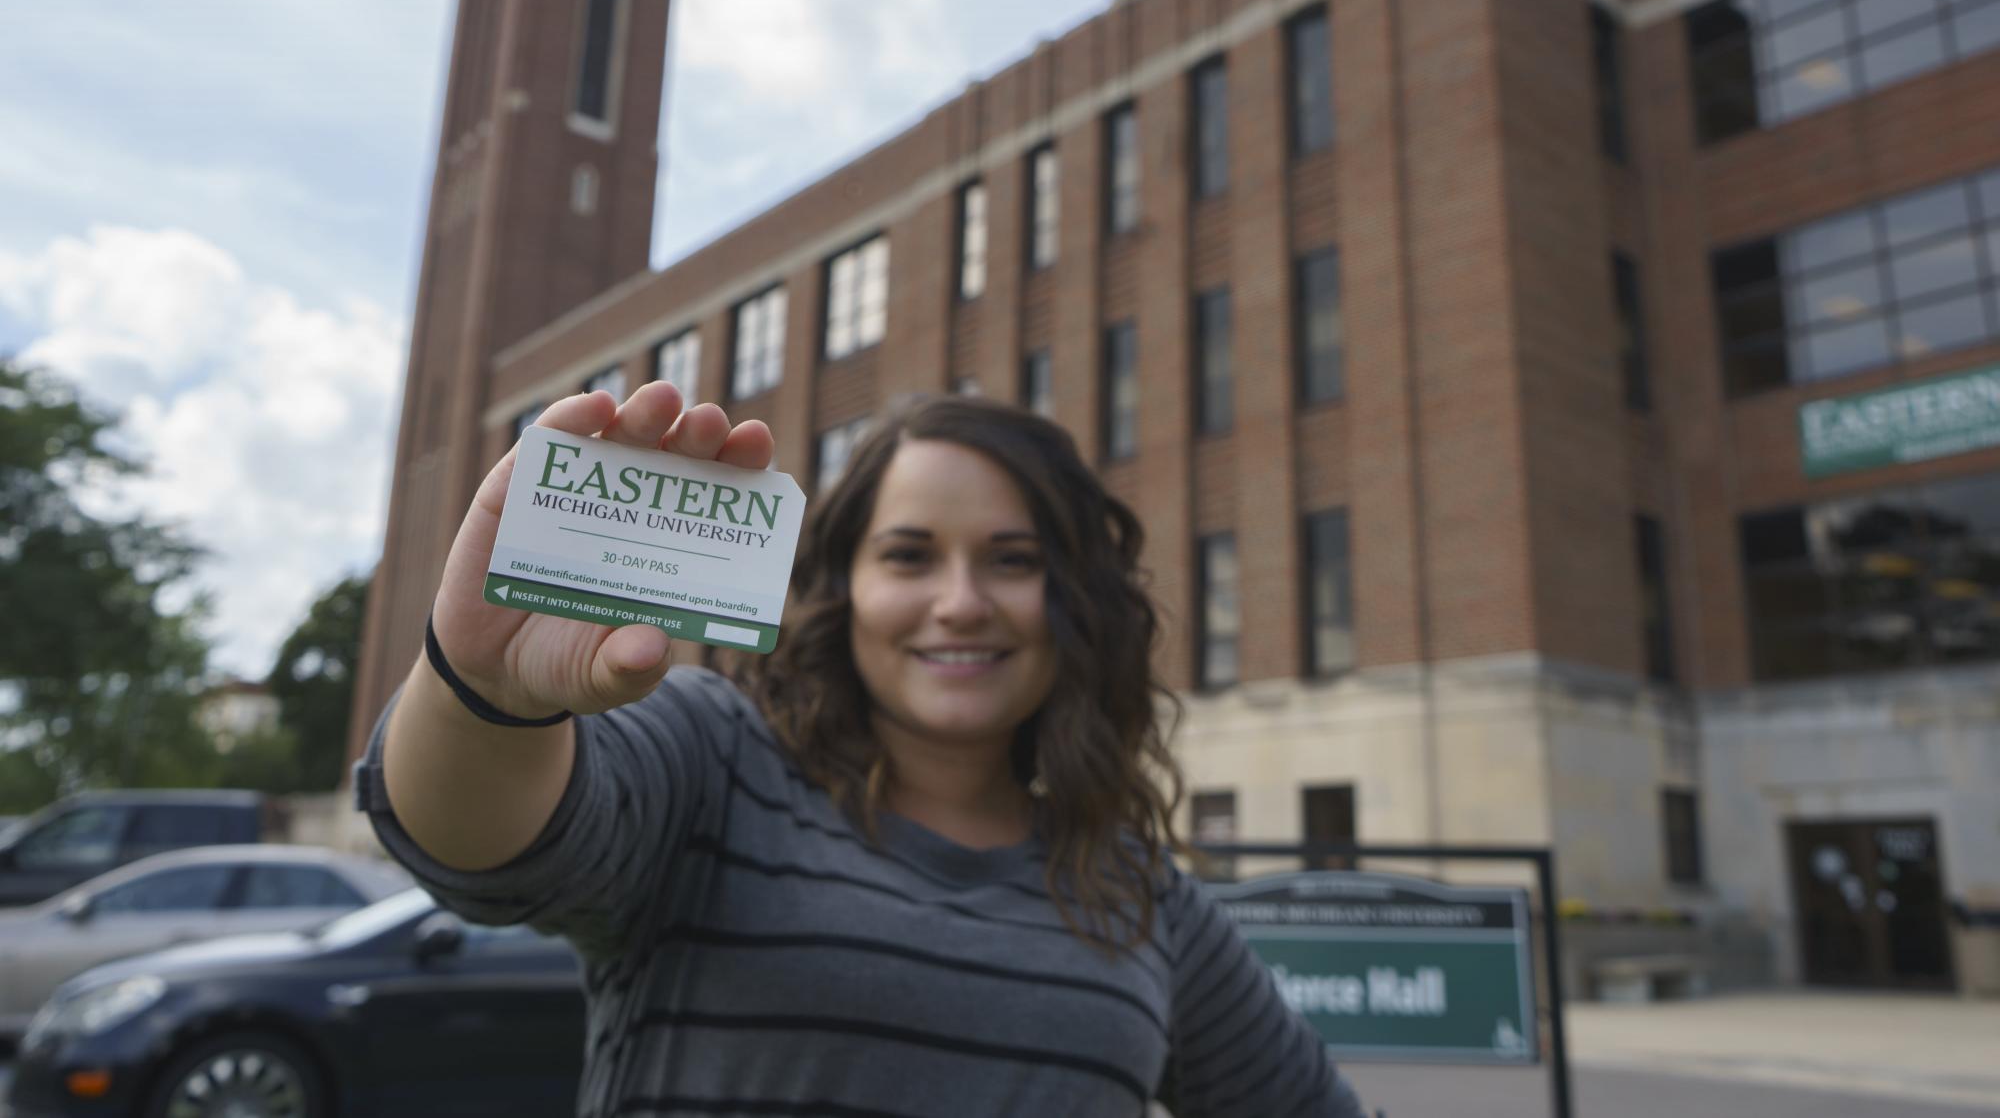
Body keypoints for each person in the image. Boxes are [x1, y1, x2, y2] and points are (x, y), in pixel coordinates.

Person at [356, 382, 1371, 1116]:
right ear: (844, 589)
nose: (961, 601)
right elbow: (485, 849)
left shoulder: (1135, 890)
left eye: (1013, 560)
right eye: (909, 555)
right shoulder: (719, 757)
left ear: (1075, 601)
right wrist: (479, 694)